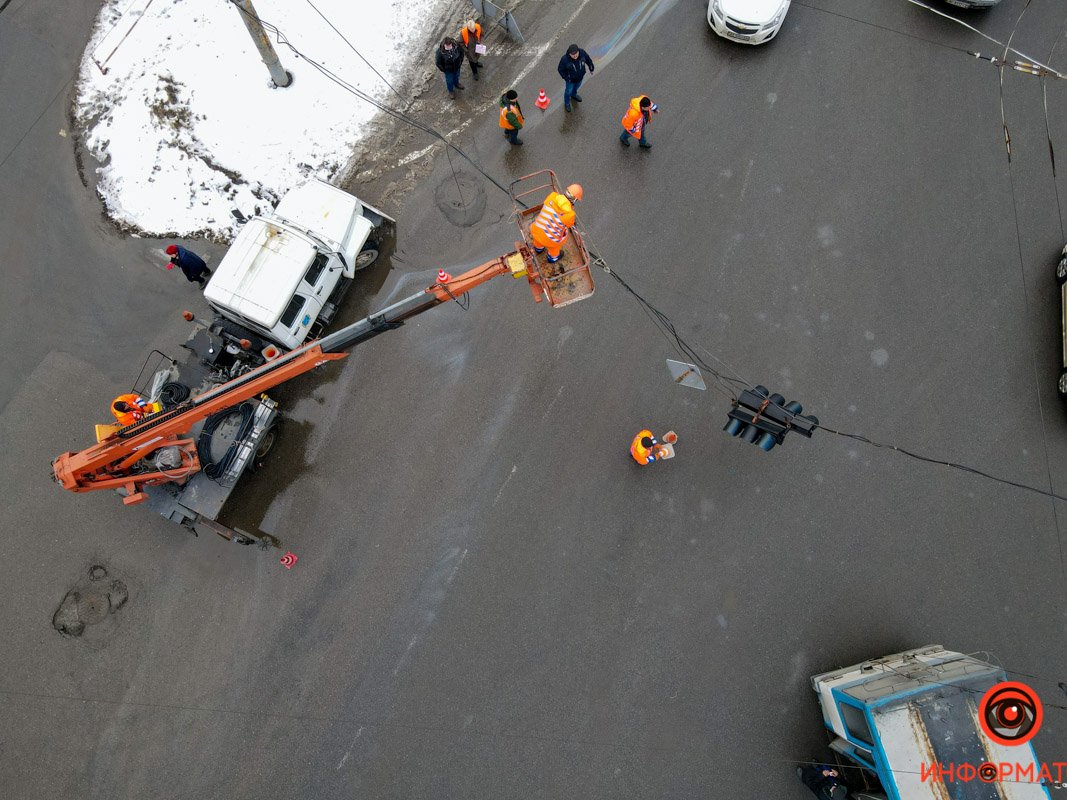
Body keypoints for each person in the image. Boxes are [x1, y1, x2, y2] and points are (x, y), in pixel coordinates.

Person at [530, 183, 582, 265]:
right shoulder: (570, 214)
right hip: (550, 241)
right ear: (575, 199)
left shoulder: (552, 196)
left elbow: (546, 203)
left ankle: (538, 249)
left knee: (538, 240)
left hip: (536, 230)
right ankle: (553, 258)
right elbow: (569, 225)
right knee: (556, 245)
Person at [557, 44, 595, 113]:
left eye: (576, 53)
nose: (575, 56)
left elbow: (588, 59)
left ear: (578, 51)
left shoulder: (582, 52)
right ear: (569, 54)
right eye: (572, 54)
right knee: (568, 92)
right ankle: (567, 103)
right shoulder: (564, 59)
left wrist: (591, 67)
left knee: (576, 88)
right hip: (570, 81)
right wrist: (567, 78)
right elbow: (560, 70)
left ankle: (574, 95)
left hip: (580, 78)